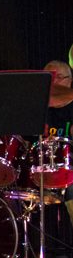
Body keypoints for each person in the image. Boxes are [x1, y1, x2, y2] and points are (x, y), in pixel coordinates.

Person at [42, 60, 73, 228]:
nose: (54, 82)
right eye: (50, 77)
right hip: (37, 168)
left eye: (59, 77)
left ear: (70, 81)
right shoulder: (33, 108)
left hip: (68, 167)